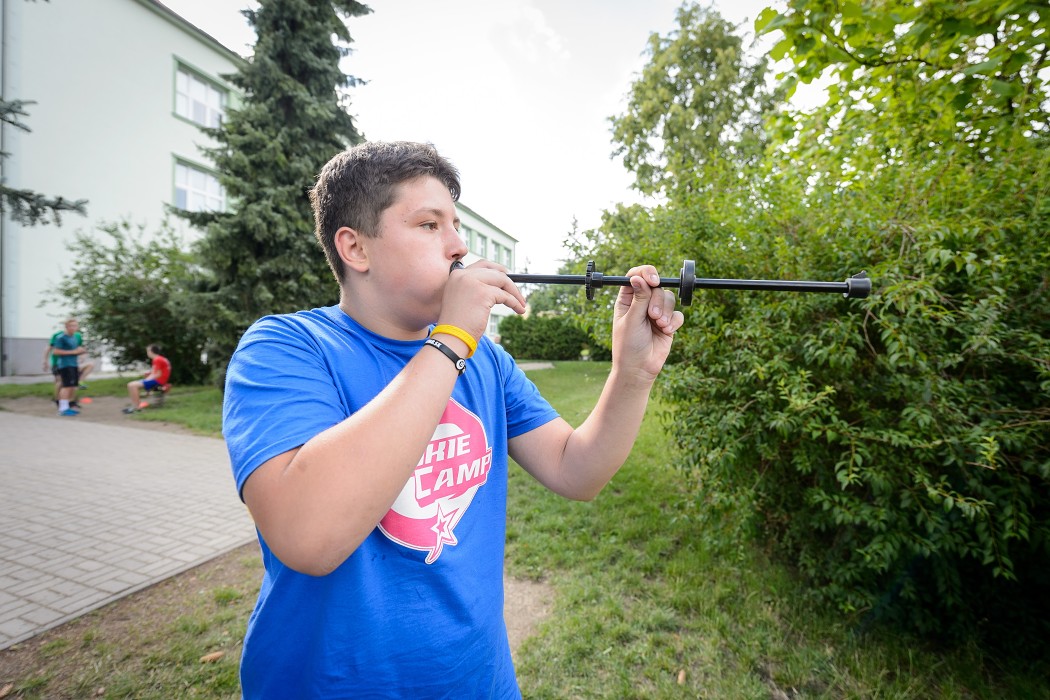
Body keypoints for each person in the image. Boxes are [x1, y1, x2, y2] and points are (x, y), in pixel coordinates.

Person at [222, 141, 685, 698]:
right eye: (428, 224)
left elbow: (576, 471)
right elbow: (309, 537)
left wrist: (633, 372)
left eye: (456, 225)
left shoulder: (486, 360)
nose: (458, 245)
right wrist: (451, 341)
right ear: (355, 248)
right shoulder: (287, 347)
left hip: (476, 681)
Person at [43, 320, 94, 407]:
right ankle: (59, 402)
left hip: (73, 363)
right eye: (71, 326)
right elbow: (52, 349)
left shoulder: (76, 336)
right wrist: (45, 360)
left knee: (71, 385)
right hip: (60, 363)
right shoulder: (59, 337)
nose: (73, 328)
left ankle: (70, 401)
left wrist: (82, 354)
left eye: (75, 326)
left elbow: (79, 348)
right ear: (66, 326)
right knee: (62, 383)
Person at [122, 344, 171, 414]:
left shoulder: (157, 359)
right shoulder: (160, 359)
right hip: (160, 380)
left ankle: (136, 407)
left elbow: (157, 374)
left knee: (132, 385)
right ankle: (136, 406)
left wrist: (146, 380)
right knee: (131, 385)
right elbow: (157, 372)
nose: (147, 353)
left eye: (148, 351)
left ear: (151, 351)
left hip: (158, 381)